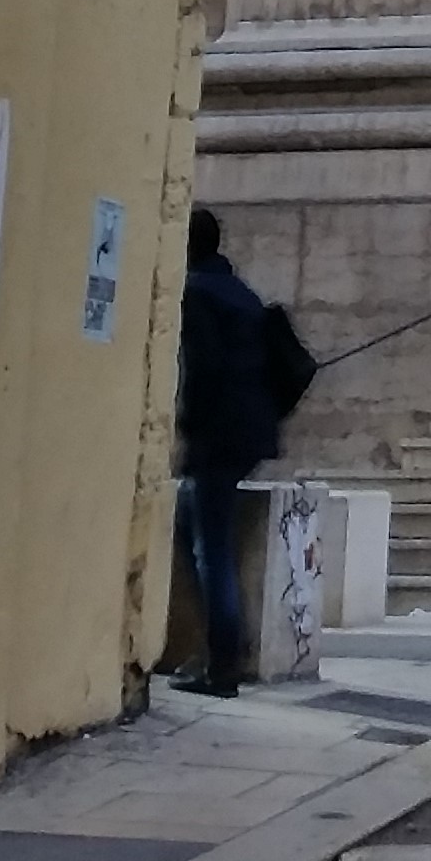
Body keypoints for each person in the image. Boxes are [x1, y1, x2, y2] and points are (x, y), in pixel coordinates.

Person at [173, 207, 310, 694]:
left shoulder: (196, 292)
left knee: (210, 548)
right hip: (251, 431)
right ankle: (216, 648)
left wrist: (187, 425)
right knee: (190, 525)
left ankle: (223, 666)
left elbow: (203, 371)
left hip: (219, 437)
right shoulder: (237, 290)